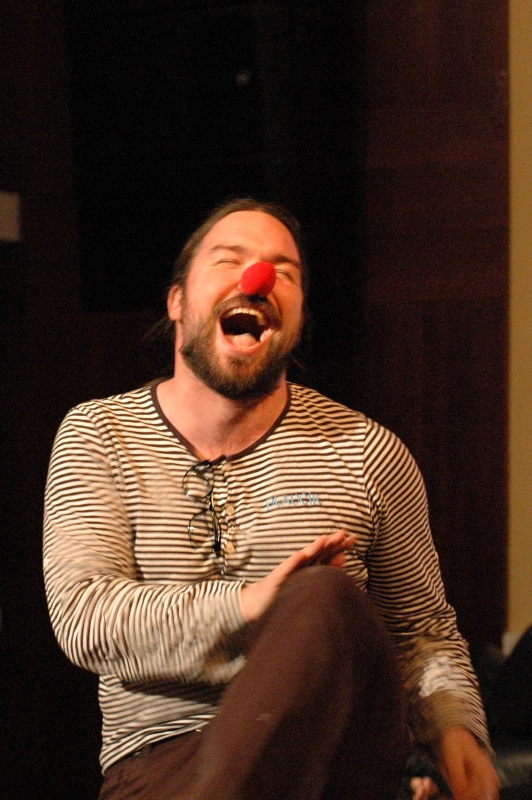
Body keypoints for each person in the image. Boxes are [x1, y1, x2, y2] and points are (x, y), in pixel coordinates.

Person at [43, 198, 501, 800]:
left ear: (300, 314)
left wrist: (455, 729)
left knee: (323, 594)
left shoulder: (367, 451)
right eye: (227, 259)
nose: (257, 279)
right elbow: (86, 617)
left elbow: (422, 632)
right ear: (177, 301)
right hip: (163, 766)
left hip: (332, 764)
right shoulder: (100, 435)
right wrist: (252, 606)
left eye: (284, 271)